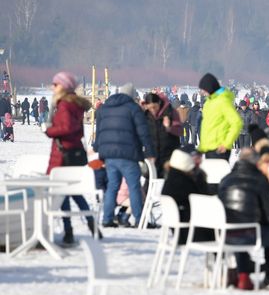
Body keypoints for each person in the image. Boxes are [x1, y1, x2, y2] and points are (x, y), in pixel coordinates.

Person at [218, 148, 269, 292]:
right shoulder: (259, 180)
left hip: (226, 235)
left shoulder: (225, 180)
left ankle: (243, 277)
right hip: (251, 235)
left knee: (238, 226)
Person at [43, 71, 98, 244]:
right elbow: (77, 129)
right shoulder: (74, 104)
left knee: (63, 193)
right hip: (73, 152)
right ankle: (91, 224)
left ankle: (69, 231)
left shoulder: (65, 105)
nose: (53, 87)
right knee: (72, 192)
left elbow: (66, 128)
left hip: (63, 154)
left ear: (63, 87)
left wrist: (49, 130)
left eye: (56, 84)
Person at [93, 83, 155, 228]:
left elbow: (100, 130)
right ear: (132, 96)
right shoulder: (133, 109)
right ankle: (140, 220)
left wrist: (97, 147)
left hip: (109, 156)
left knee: (112, 187)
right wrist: (150, 152)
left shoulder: (105, 108)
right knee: (134, 187)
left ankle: (107, 219)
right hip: (128, 155)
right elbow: (143, 132)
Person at [160, 148, 212, 243]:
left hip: (180, 231)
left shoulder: (171, 178)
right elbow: (203, 199)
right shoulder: (184, 182)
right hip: (190, 231)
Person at [197, 73, 242, 161]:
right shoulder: (208, 103)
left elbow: (236, 123)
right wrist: (201, 148)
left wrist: (226, 144)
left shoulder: (223, 101)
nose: (203, 92)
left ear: (210, 87)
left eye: (204, 89)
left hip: (220, 149)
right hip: (208, 148)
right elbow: (207, 127)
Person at [142, 92, 181, 178]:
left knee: (168, 183)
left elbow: (179, 130)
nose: (152, 110)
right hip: (153, 156)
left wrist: (169, 127)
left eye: (154, 107)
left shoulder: (171, 112)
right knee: (150, 183)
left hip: (168, 155)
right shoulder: (146, 115)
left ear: (159, 103)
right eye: (150, 108)